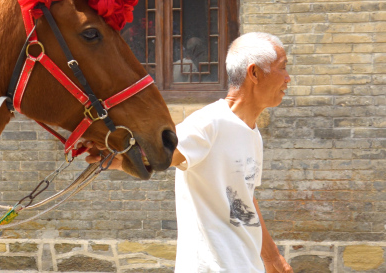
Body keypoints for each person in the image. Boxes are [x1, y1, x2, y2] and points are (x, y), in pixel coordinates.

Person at [84, 32, 293, 272]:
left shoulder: (252, 133)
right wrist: (120, 158)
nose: (288, 78)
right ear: (254, 73)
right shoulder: (209, 123)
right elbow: (160, 155)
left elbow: (245, 199)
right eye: (283, 68)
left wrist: (273, 259)